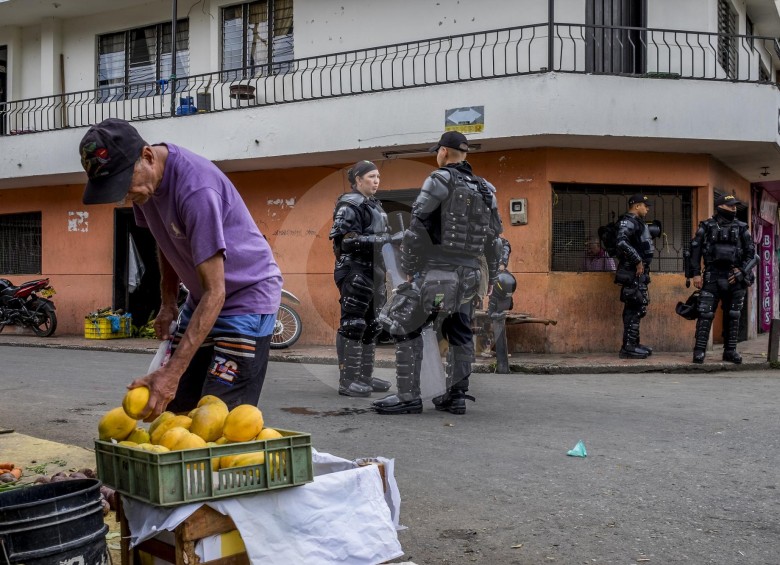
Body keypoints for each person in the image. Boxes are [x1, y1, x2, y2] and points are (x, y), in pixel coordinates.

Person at [79, 118, 282, 420]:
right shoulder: (144, 188)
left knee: (217, 414)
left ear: (147, 156)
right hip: (201, 299)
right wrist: (168, 301)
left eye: (124, 185)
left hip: (245, 297)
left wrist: (171, 373)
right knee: (174, 410)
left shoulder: (196, 190)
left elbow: (217, 291)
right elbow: (165, 239)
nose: (124, 196)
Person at [375, 131, 503, 415]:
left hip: (437, 274)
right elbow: (495, 240)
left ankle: (408, 396)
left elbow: (416, 229)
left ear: (443, 152)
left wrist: (409, 270)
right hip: (470, 276)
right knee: (460, 332)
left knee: (405, 326)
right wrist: (491, 279)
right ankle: (456, 397)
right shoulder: (485, 188)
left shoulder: (439, 179)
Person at [328, 160, 395, 397]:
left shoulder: (373, 205)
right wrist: (387, 240)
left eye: (378, 176)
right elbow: (346, 241)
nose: (376, 181)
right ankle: (347, 381)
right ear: (358, 180)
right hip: (354, 269)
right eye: (371, 177)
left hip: (374, 270)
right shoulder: (349, 204)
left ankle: (364, 376)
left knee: (373, 326)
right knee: (353, 325)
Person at [688, 194, 757, 364]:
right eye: (730, 206)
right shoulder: (706, 226)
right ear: (720, 207)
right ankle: (699, 351)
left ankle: (730, 351)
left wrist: (741, 272)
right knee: (705, 314)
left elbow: (752, 255)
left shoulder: (742, 228)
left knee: (733, 314)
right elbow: (694, 251)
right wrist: (695, 274)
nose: (734, 209)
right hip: (712, 276)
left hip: (734, 277)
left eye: (735, 206)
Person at [614, 194, 657, 359]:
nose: (647, 209)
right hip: (632, 271)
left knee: (638, 307)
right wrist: (638, 260)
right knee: (634, 307)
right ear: (637, 206)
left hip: (638, 273)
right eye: (645, 206)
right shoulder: (628, 222)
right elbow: (621, 242)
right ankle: (628, 348)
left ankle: (633, 343)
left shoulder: (637, 222)